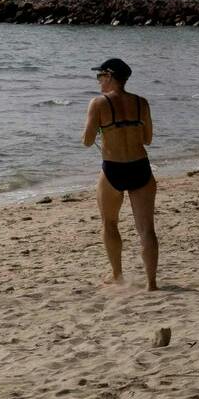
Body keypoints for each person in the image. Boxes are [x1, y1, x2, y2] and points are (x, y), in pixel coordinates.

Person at [81, 57, 158, 290]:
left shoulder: (98, 103)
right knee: (146, 229)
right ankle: (151, 283)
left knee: (110, 223)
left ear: (110, 76)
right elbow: (148, 139)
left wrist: (106, 130)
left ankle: (117, 274)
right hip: (140, 167)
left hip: (113, 168)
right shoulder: (141, 103)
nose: (98, 81)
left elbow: (87, 141)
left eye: (100, 76)